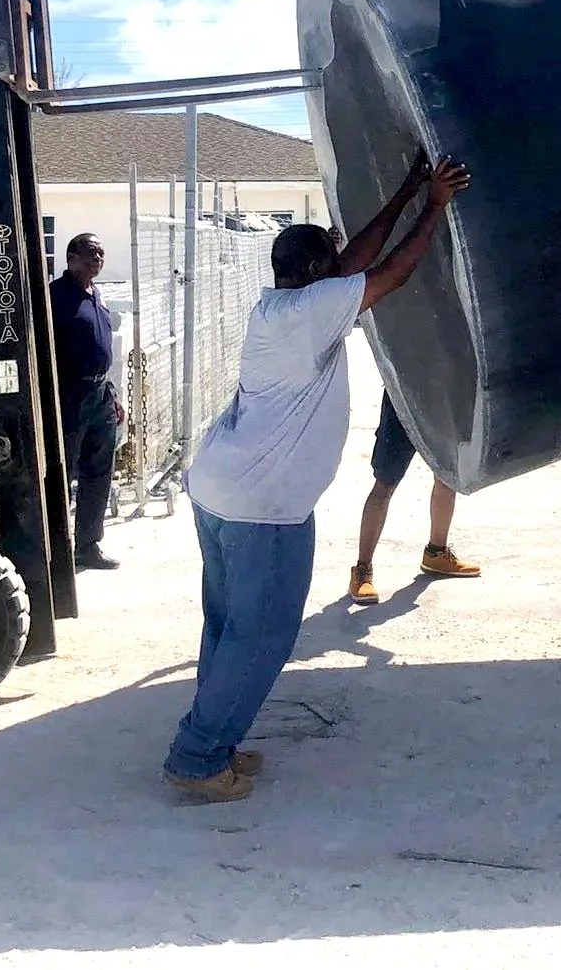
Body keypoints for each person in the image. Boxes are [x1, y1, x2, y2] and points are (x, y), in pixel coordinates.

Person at [163, 152, 471, 803]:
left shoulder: (283, 306)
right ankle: (196, 759)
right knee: (262, 637)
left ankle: (212, 741)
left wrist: (409, 190)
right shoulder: (310, 311)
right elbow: (389, 271)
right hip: (261, 508)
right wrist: (434, 208)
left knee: (226, 627)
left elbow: (354, 259)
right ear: (311, 273)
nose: (340, 269)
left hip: (223, 491)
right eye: (327, 264)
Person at [349, 393, 478, 604]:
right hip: (404, 396)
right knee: (385, 483)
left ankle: (436, 553)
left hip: (445, 397)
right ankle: (362, 569)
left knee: (447, 476)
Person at [49, 232, 124, 572]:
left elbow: (101, 348)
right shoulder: (54, 297)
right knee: (62, 470)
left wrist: (112, 394)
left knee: (99, 470)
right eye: (91, 253)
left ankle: (88, 545)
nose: (98, 259)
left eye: (101, 253)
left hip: (100, 394)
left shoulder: (97, 295)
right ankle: (54, 547)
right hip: (69, 394)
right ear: (72, 257)